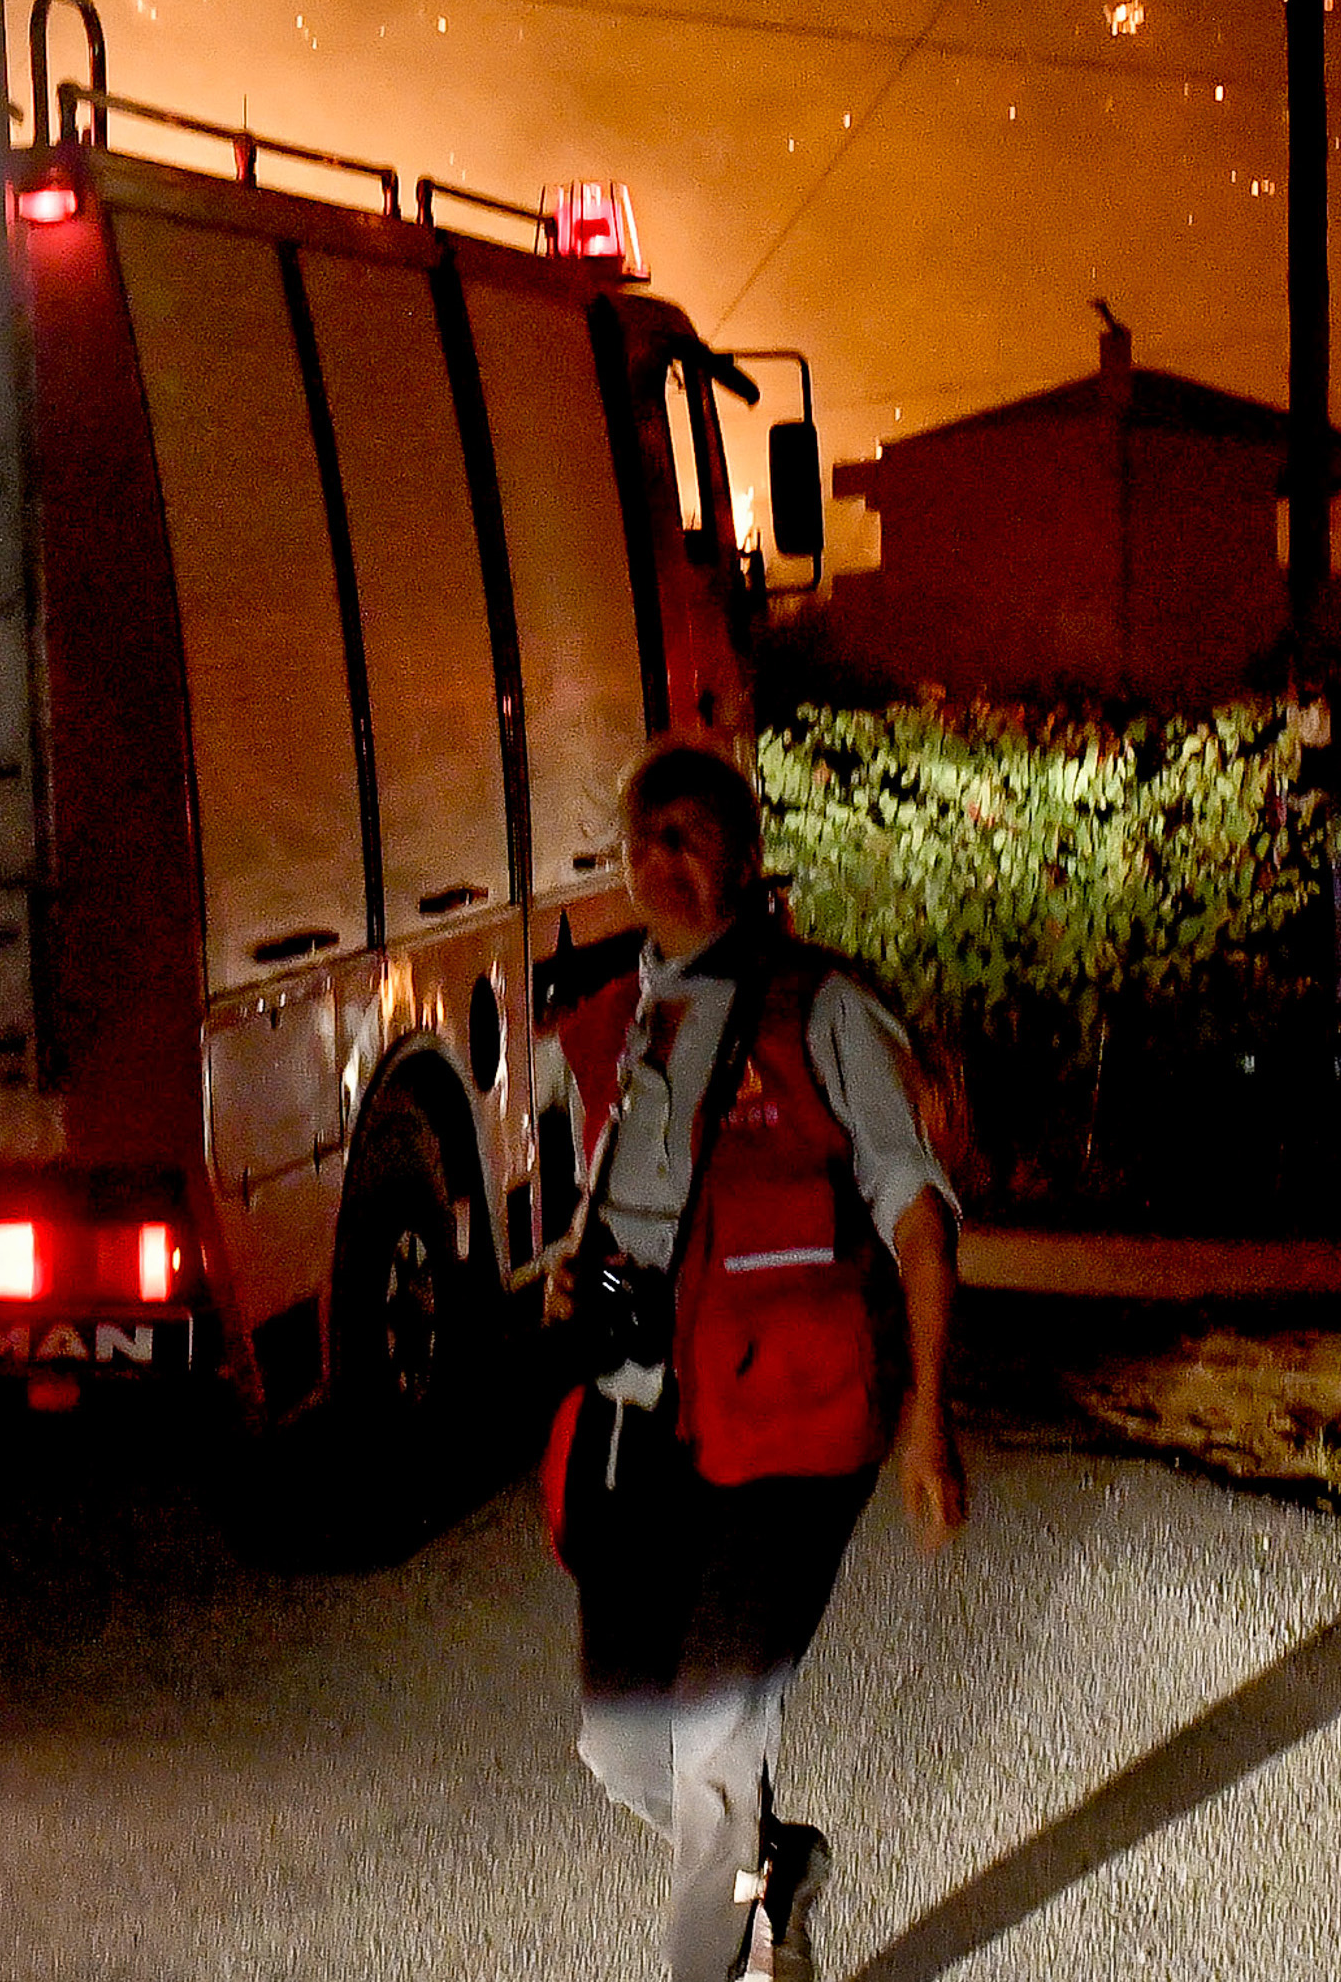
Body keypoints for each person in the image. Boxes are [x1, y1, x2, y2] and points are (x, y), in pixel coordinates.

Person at [550, 744, 967, 1982]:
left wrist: (928, 1418)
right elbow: (621, 1208)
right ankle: (772, 1871)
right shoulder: (613, 1024)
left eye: (686, 833)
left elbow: (918, 1220)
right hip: (644, 1422)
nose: (658, 857)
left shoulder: (820, 1012)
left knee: (716, 1741)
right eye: (640, 836)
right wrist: (582, 1274)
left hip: (796, 1427)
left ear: (743, 855)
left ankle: (710, 1964)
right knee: (623, 1748)